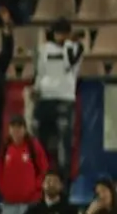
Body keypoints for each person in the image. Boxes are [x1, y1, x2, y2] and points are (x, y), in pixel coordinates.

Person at [32, 21, 84, 180]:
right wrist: (37, 88)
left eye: (64, 33)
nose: (61, 36)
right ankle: (41, 177)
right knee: (41, 141)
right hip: (45, 98)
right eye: (58, 33)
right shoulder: (43, 49)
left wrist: (69, 43)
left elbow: (69, 64)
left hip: (64, 98)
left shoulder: (76, 48)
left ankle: (64, 181)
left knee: (64, 144)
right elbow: (40, 71)